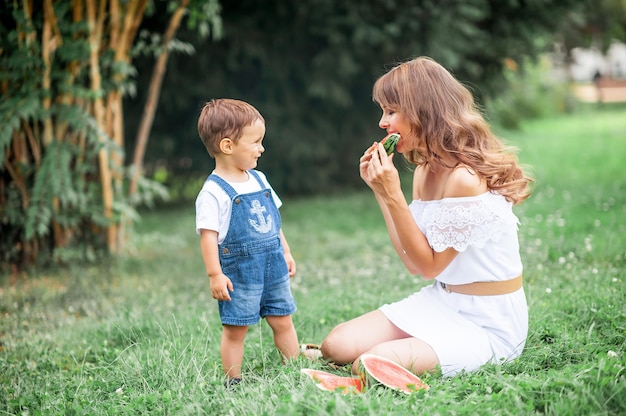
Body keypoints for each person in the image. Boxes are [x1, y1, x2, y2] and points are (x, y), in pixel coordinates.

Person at [317, 57, 533, 378]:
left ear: (422, 111)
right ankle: (418, 348)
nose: (382, 122)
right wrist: (381, 191)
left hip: (488, 321)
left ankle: (421, 352)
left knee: (370, 362)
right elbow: (414, 263)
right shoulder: (424, 172)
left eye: (391, 111)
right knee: (334, 346)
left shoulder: (464, 179)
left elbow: (430, 265)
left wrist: (393, 193)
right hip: (441, 301)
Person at [195, 98, 299, 388]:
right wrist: (215, 274)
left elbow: (273, 221)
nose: (261, 148)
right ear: (227, 146)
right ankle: (234, 380)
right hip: (240, 272)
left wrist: (286, 251)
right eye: (255, 142)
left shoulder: (259, 179)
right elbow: (209, 236)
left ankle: (293, 369)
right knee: (235, 329)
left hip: (273, 264)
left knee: (283, 319)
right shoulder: (213, 192)